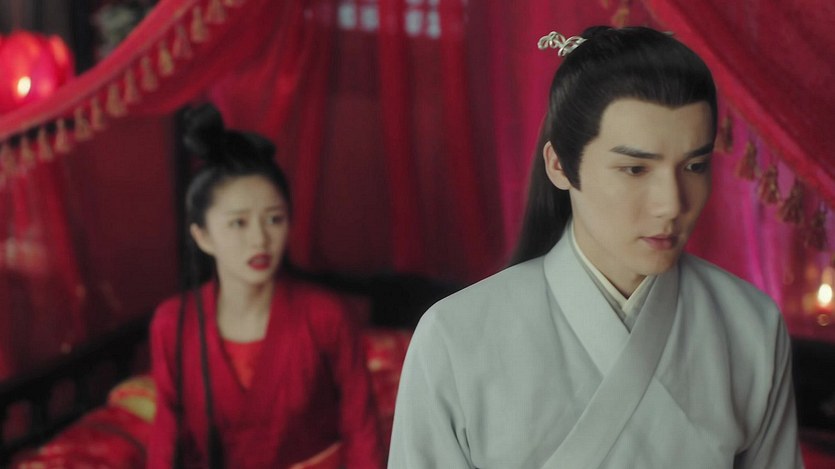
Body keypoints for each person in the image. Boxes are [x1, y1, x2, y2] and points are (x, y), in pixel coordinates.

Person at [388, 26, 803, 468]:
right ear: (560, 166)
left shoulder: (750, 325)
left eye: (694, 166)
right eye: (635, 169)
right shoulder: (455, 335)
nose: (672, 204)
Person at [148, 104, 385, 468]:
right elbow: (167, 442)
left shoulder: (326, 316)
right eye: (238, 223)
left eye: (274, 219)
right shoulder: (172, 324)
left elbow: (362, 431)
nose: (260, 239)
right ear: (203, 236)